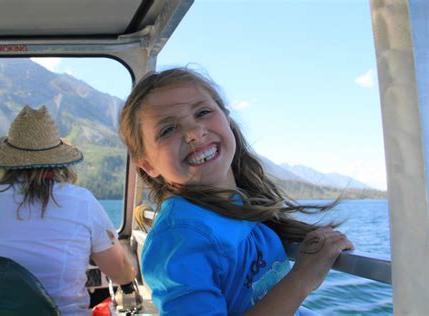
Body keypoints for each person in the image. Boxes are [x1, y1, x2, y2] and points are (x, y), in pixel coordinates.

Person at [119, 68, 354, 315]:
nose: (194, 133)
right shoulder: (178, 237)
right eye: (168, 130)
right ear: (147, 165)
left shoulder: (235, 207)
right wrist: (302, 278)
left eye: (203, 112)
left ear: (227, 118)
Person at [0, 105, 136, 316]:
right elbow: (117, 270)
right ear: (60, 163)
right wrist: (129, 279)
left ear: (8, 160)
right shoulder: (81, 200)